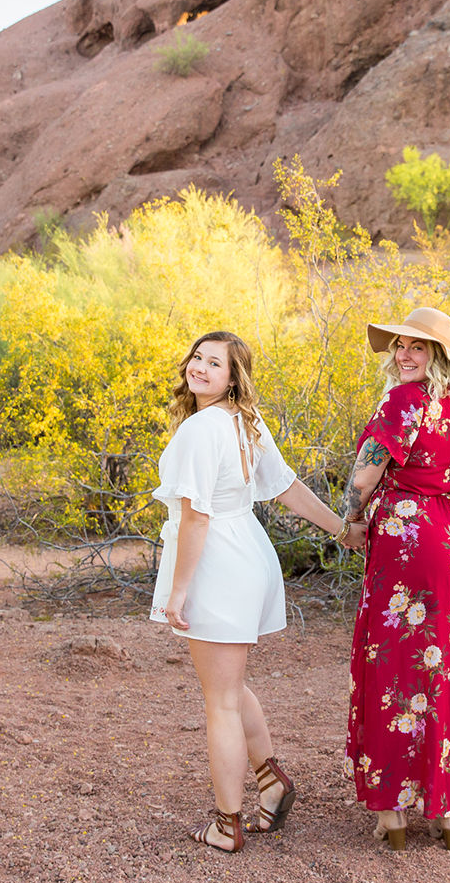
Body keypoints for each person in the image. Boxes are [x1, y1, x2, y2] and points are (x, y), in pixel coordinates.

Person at [150, 330, 356, 854]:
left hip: (217, 560)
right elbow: (287, 487)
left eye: (214, 363)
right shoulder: (245, 422)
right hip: (248, 554)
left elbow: (196, 517)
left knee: (218, 699)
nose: (199, 367)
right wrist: (340, 529)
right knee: (232, 686)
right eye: (196, 356)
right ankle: (270, 779)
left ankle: (227, 822)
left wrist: (177, 593)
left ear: (232, 377)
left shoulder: (203, 429)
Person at [342, 307, 450, 852]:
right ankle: (449, 811)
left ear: (439, 357)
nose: (403, 355)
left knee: (394, 664)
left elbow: (366, 472)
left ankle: (392, 811)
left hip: (406, 538)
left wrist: (352, 520)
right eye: (400, 346)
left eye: (417, 348)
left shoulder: (400, 401)